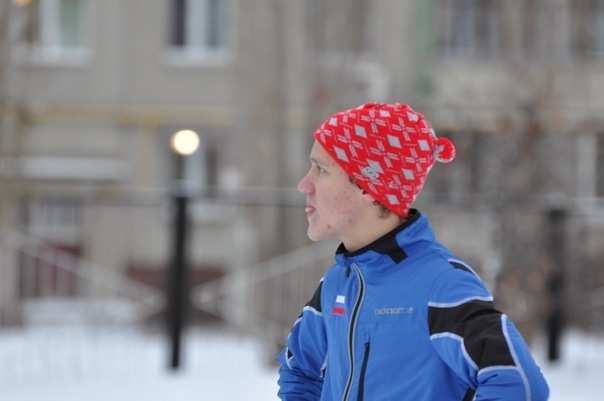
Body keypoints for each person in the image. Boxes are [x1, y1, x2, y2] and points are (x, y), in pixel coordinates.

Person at [276, 103, 549, 400]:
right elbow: (298, 371)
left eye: (321, 170)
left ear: (368, 186)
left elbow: (520, 385)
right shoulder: (338, 283)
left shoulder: (442, 285)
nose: (304, 184)